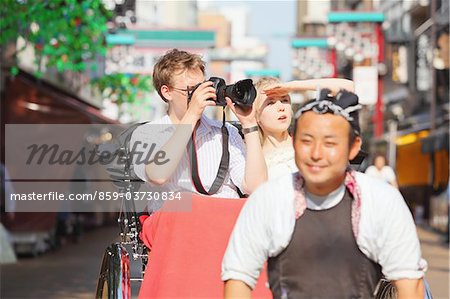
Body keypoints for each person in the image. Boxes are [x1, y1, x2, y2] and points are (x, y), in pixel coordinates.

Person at [222, 89, 426, 299]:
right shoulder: (268, 199)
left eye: (330, 143)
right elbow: (238, 277)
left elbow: (410, 284)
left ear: (353, 147)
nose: (316, 154)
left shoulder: (382, 201)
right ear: (294, 144)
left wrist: (295, 85)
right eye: (307, 141)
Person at [130, 49, 267, 198]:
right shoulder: (147, 133)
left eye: (202, 87)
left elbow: (255, 186)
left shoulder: (226, 132)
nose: (199, 95)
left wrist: (250, 124)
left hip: (225, 218)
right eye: (192, 90)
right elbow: (157, 175)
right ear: (167, 92)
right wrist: (192, 115)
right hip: (179, 219)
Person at [255, 77, 355, 179]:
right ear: (256, 115)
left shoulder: (309, 142)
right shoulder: (252, 159)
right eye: (270, 103)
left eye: (285, 100)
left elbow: (349, 88)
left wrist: (292, 86)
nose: (281, 107)